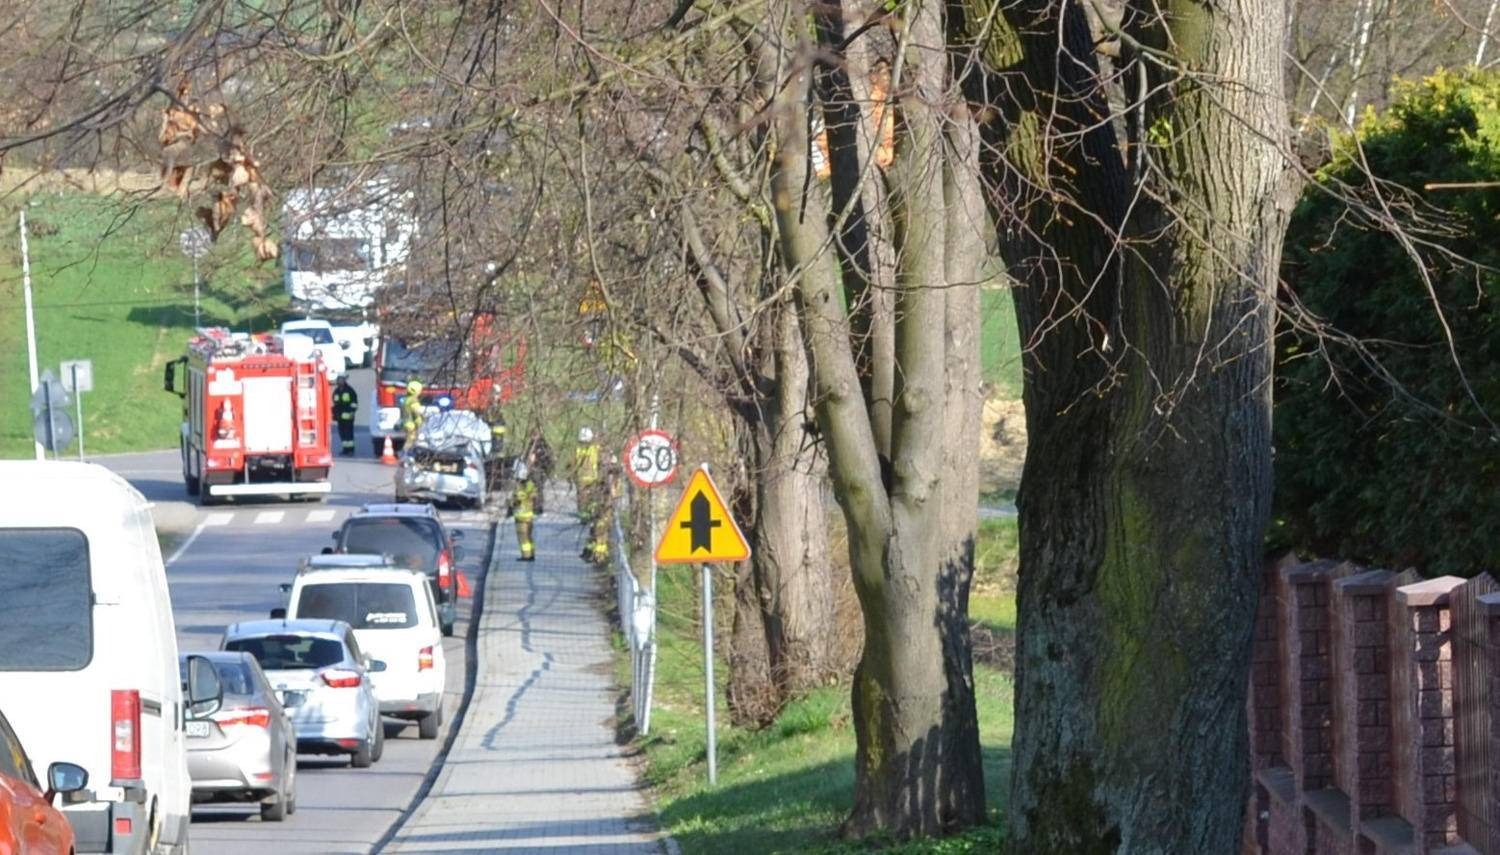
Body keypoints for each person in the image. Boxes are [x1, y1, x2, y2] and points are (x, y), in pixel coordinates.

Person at [583, 462, 620, 566]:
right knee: (598, 534)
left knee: (600, 535)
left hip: (602, 515)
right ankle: (597, 555)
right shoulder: (602, 486)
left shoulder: (607, 486)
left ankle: (599, 557)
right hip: (600, 514)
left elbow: (613, 496)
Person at [507, 463, 539, 562]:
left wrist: (510, 506)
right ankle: (531, 554)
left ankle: (526, 556)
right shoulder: (530, 484)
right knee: (529, 537)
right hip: (529, 516)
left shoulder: (517, 486)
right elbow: (535, 497)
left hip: (521, 517)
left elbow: (514, 501)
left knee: (523, 538)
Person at [573, 426, 601, 522]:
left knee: (583, 499)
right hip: (593, 478)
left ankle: (584, 516)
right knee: (592, 498)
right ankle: (591, 514)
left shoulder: (578, 450)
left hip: (582, 479)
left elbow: (573, 464)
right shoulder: (595, 449)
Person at [331, 375, 358, 456]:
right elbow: (335, 403)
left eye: (341, 380)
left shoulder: (350, 390)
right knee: (342, 433)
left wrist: (352, 412)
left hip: (348, 416)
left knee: (348, 433)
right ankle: (345, 449)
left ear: (344, 380)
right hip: (339, 417)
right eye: (338, 380)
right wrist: (334, 414)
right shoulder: (336, 391)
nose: (339, 381)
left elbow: (354, 403)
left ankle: (350, 449)